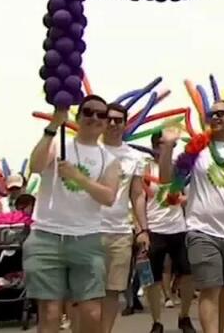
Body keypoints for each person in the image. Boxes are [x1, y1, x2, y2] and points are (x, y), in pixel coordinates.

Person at [158, 100, 224, 333]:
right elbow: (168, 182)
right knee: (209, 287)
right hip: (201, 230)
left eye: (221, 113)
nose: (215, 117)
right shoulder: (197, 150)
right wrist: (166, 149)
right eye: (211, 114)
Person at [25, 96, 122, 333]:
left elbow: (108, 197)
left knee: (91, 312)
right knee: (50, 313)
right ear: (78, 117)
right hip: (47, 237)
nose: (95, 118)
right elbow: (35, 166)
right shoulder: (58, 145)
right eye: (88, 112)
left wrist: (79, 178)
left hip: (86, 240)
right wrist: (53, 126)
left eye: (101, 115)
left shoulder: (109, 160)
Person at [99, 102, 150, 333]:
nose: (112, 123)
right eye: (108, 118)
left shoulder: (134, 157)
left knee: (113, 290)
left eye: (118, 120)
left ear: (124, 124)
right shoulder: (91, 149)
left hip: (120, 231)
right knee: (84, 291)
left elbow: (137, 195)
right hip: (87, 230)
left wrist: (143, 229)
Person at [144, 130, 196, 333]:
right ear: (155, 145)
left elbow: (186, 195)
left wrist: (181, 199)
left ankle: (184, 316)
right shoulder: (145, 167)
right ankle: (156, 321)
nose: (166, 148)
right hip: (155, 228)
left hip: (178, 227)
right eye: (162, 144)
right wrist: (142, 229)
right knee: (153, 278)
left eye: (172, 145)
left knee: (188, 273)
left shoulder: (177, 169)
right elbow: (140, 198)